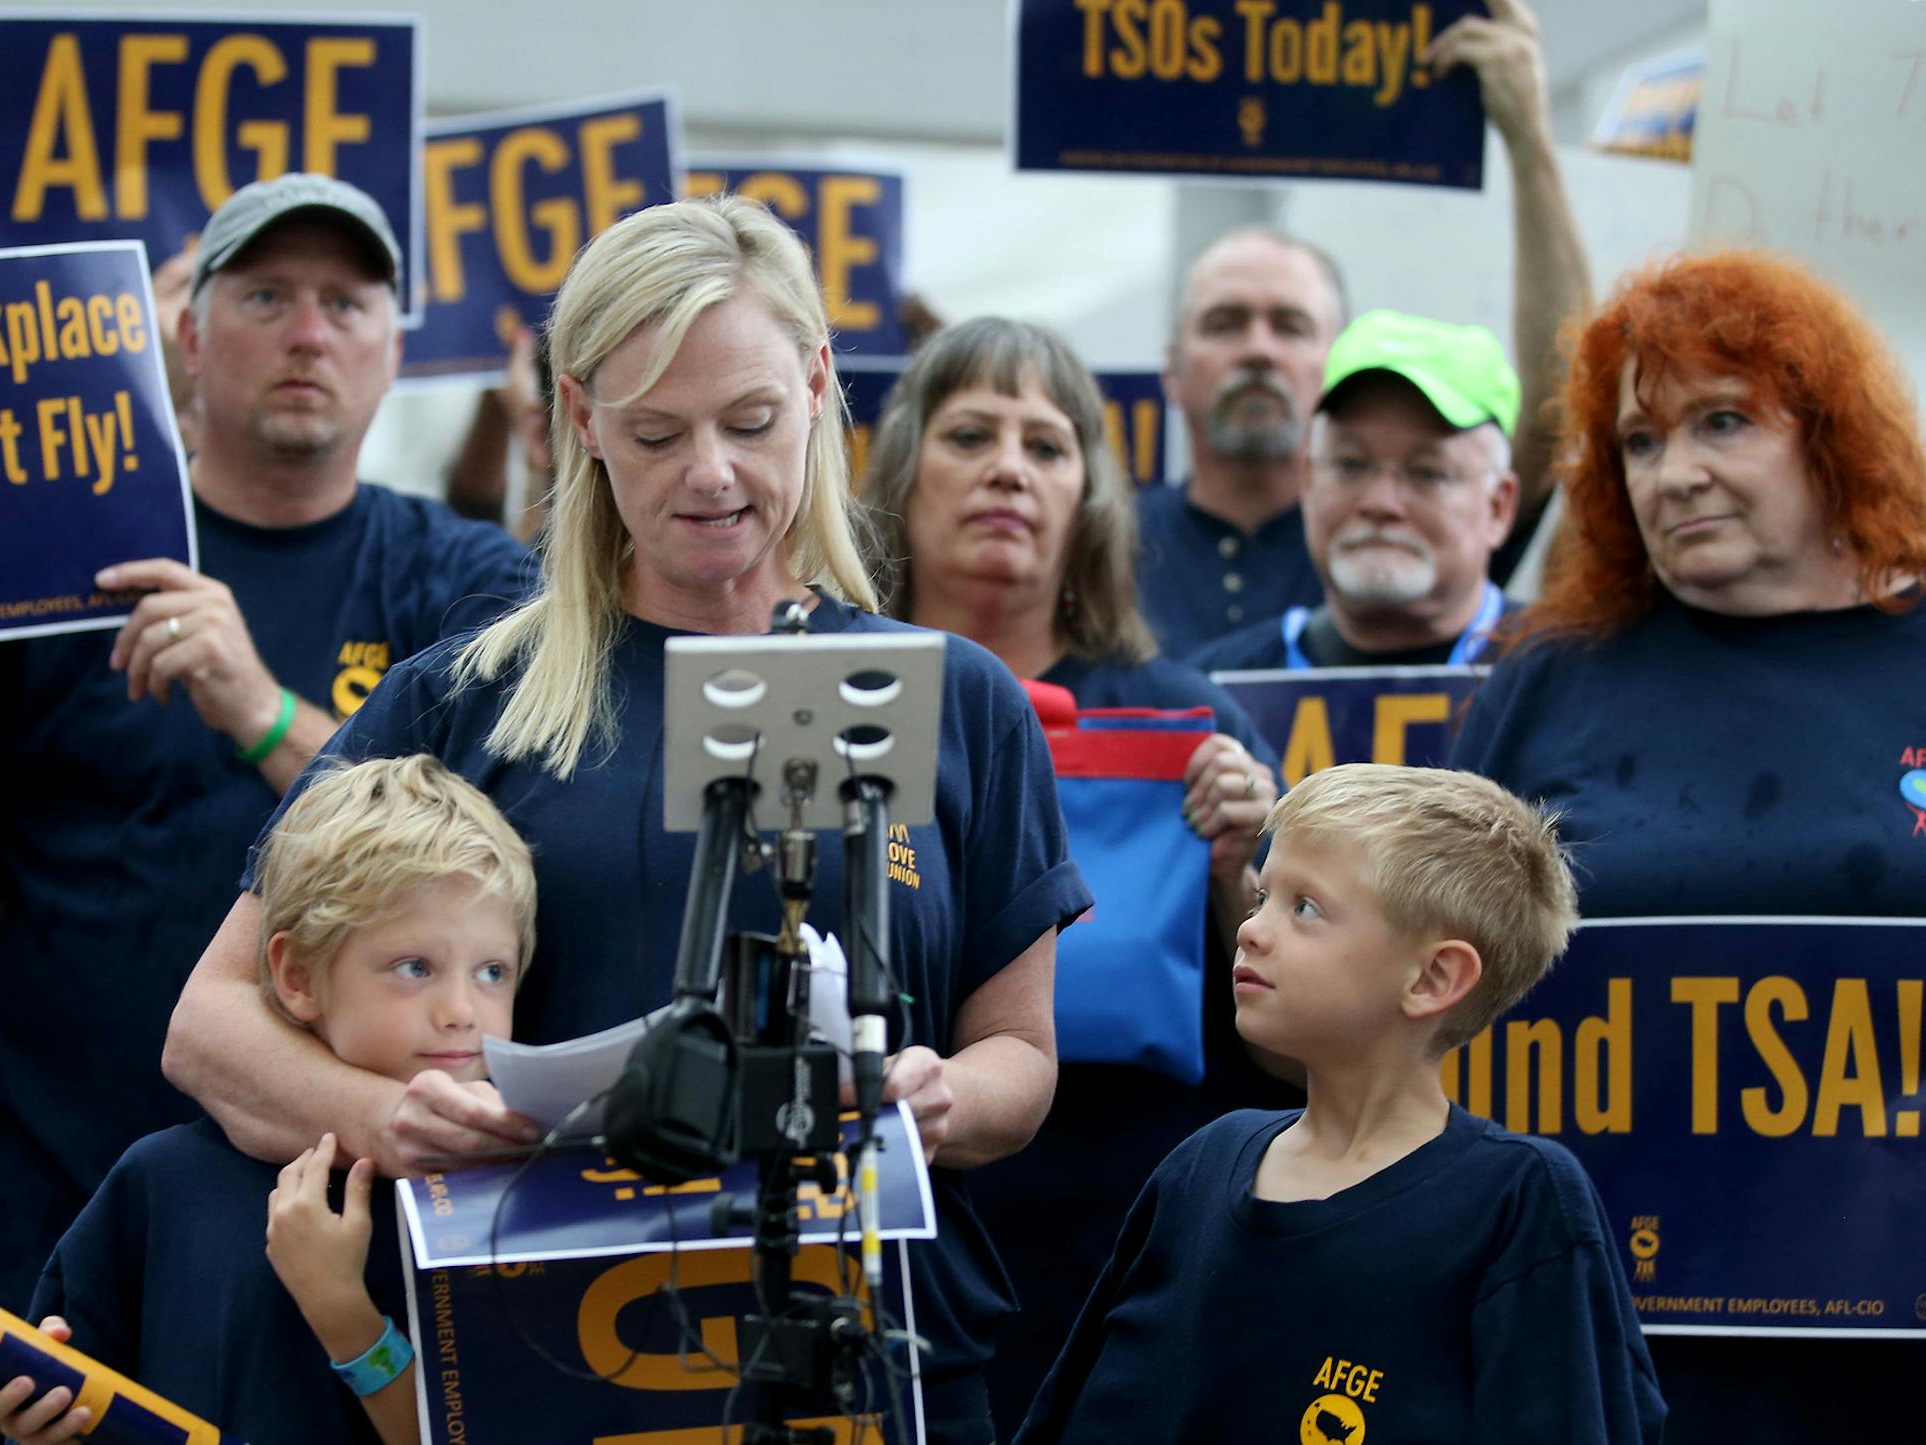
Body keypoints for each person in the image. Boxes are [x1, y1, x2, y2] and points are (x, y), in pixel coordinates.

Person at [163, 195, 1090, 1444]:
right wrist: (393, 1116)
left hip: (874, 1355)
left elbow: (1020, 1058)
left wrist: (940, 1100)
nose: (710, 473)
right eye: (656, 433)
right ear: (581, 418)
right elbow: (210, 1022)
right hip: (555, 1351)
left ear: (818, 384)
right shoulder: (463, 697)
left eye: (751, 422)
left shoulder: (958, 698)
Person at [0, 173, 538, 1335]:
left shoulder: (461, 575)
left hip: (333, 1233)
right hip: (42, 1202)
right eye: (268, 294)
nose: (309, 332)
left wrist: (258, 707)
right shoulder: (56, 552)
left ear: (395, 348)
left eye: (347, 301)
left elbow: (491, 863)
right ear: (186, 332)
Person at [1449, 249, 1926, 1442]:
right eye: (1642, 442)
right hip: (1605, 1355)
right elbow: (1427, 975)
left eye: (1724, 422)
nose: (1678, 473)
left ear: (1829, 434)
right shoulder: (1550, 679)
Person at [856, 316, 1289, 1429]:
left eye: (1047, 445)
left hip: (1136, 1270)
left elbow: (1296, 1058)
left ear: (1092, 498)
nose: (1009, 466)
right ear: (897, 476)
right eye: (969, 434)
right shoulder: (819, 690)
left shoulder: (1198, 731)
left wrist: (1250, 866)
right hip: (882, 1259)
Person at [1019, 764, 1667, 1442]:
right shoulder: (1198, 1169)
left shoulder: (1518, 1202)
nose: (1252, 930)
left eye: (1306, 907)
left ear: (1434, 977)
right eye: (1260, 896)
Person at [0, 754, 532, 1444]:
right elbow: (69, 1402)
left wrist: (345, 1313)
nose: (463, 1009)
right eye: (415, 967)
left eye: (493, 970)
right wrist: (36, 1421)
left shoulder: (514, 1204)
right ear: (296, 974)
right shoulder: (163, 1184)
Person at [1134, 0, 1590, 658]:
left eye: (1289, 325)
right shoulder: (1104, 545)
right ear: (1170, 368)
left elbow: (1560, 402)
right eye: (1224, 322)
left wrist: (1529, 140)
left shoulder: (1417, 533)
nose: (1258, 348)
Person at [1189, 311, 1521, 672]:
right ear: (1308, 481)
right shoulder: (1216, 692)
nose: (1380, 503)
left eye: (1428, 473)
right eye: (1349, 465)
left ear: (1498, 507)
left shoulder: (1569, 683)